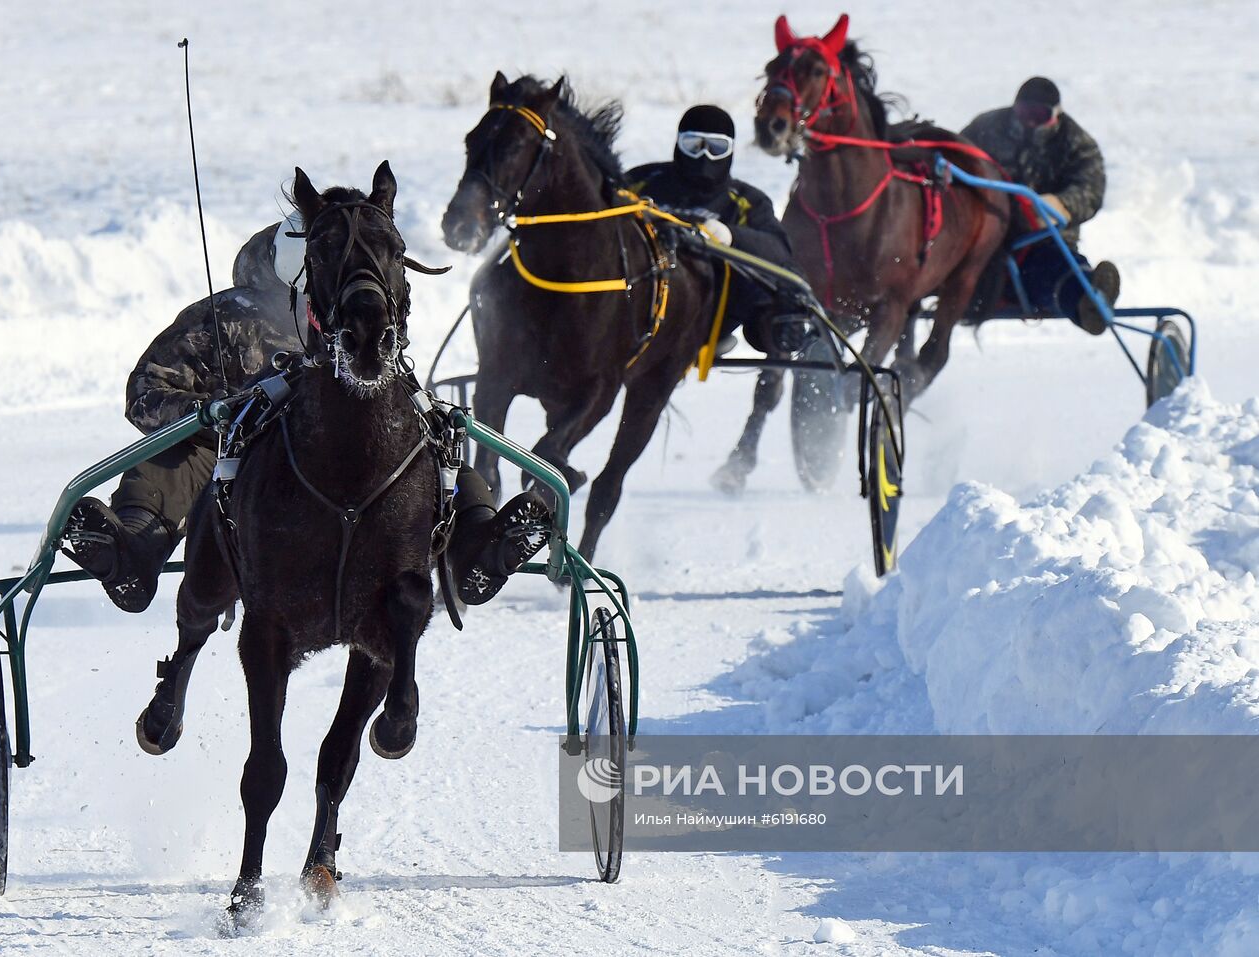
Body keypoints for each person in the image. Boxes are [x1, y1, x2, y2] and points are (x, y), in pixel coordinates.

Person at [63, 212, 549, 613]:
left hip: (340, 468)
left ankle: (478, 550)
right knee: (171, 457)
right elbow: (145, 390)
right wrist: (208, 413)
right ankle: (130, 555)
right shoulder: (224, 318)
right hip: (234, 459)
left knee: (433, 455)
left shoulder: (357, 323)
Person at [626, 105, 812, 355]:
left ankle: (774, 330)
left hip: (710, 312)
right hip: (635, 299)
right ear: (678, 144)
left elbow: (779, 249)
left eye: (716, 148)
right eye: (693, 146)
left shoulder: (746, 200)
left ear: (730, 150)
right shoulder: (641, 182)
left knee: (781, 277)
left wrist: (731, 236)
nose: (704, 156)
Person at [962, 77, 1119, 334]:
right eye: (1025, 113)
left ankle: (1089, 301)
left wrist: (1059, 206)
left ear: (1055, 115)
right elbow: (957, 161)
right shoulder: (986, 128)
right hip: (984, 238)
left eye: (1039, 115)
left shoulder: (1076, 142)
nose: (1030, 121)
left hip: (1042, 240)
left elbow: (1090, 189)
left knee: (1056, 272)